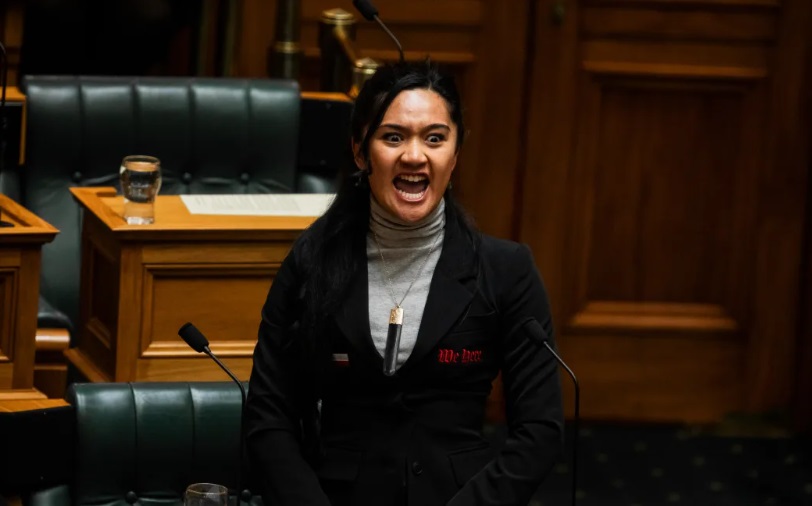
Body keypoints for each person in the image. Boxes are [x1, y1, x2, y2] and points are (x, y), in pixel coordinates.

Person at [244, 59, 564, 506]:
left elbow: (540, 431)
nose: (414, 155)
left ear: (455, 154)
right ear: (360, 152)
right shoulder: (312, 260)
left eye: (435, 138)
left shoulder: (506, 270)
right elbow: (268, 413)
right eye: (393, 137)